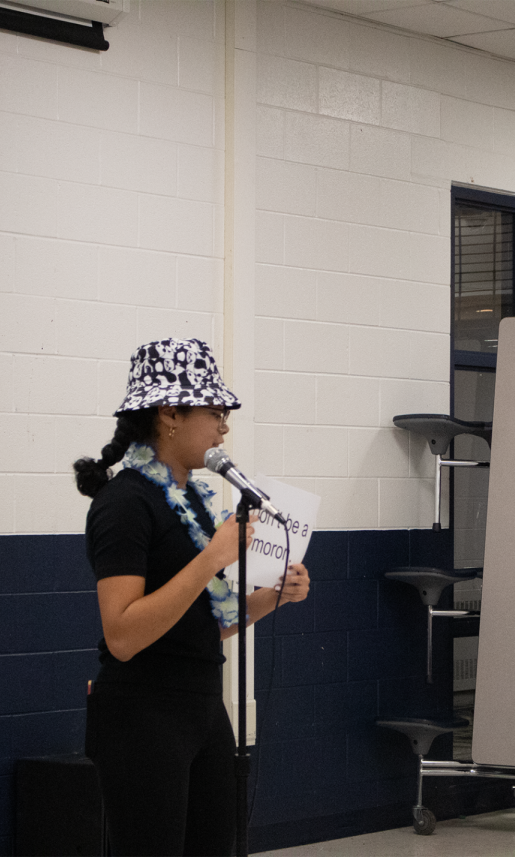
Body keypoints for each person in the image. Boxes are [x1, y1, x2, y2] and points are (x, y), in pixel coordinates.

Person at [73, 337, 310, 857]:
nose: (224, 426)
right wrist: (212, 558)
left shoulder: (194, 503)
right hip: (142, 713)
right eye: (215, 411)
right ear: (170, 415)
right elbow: (123, 635)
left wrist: (274, 598)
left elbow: (204, 621)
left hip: (201, 705)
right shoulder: (124, 504)